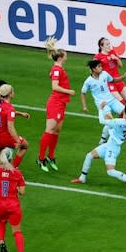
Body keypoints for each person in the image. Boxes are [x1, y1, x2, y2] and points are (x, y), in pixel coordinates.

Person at [37, 37, 75, 172]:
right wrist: (69, 91)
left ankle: (50, 156)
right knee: (49, 130)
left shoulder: (57, 68)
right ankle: (40, 158)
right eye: (65, 55)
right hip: (56, 103)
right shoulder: (57, 70)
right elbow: (55, 86)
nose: (67, 57)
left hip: (61, 103)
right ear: (61, 58)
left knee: (57, 130)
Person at [81, 60, 126, 145]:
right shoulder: (88, 81)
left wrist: (123, 76)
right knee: (110, 121)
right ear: (93, 69)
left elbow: (113, 80)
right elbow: (83, 93)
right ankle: (103, 139)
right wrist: (84, 106)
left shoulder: (104, 74)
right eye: (99, 66)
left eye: (101, 66)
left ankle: (125, 134)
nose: (101, 67)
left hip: (112, 100)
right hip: (102, 104)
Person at [0, 84, 30, 170]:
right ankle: (14, 169)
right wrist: (17, 141)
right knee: (25, 145)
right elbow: (10, 128)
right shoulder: (10, 109)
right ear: (9, 94)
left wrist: (20, 113)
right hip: (5, 136)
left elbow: (2, 113)